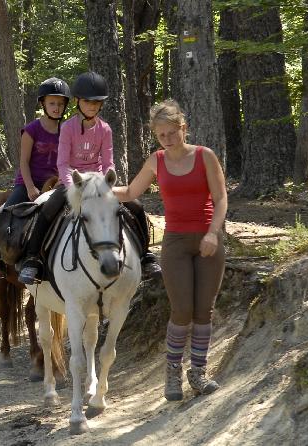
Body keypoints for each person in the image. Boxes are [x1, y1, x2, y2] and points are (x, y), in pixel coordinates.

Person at [112, 99, 228, 401]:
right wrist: (94, 188)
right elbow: (129, 192)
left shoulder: (205, 156)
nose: (168, 140)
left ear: (183, 128)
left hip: (208, 240)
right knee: (182, 310)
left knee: (204, 311)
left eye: (173, 133)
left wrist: (213, 234)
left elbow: (221, 199)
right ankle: (173, 374)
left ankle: (199, 373)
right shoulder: (156, 160)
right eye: (162, 135)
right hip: (175, 244)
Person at [17, 71, 161, 285]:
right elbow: (63, 163)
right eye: (87, 102)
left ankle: (146, 256)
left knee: (136, 207)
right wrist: (72, 185)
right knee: (48, 209)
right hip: (73, 181)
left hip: (98, 182)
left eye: (97, 102)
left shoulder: (105, 129)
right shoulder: (67, 128)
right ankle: (33, 259)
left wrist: (103, 183)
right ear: (78, 102)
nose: (92, 106)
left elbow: (109, 161)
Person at [0, 78, 70, 286]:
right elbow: (23, 161)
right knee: (6, 211)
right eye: (52, 103)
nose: (56, 108)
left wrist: (62, 181)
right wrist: (29, 187)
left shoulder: (67, 131)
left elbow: (67, 161)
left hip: (57, 182)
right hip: (29, 181)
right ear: (43, 104)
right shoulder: (31, 130)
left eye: (60, 104)